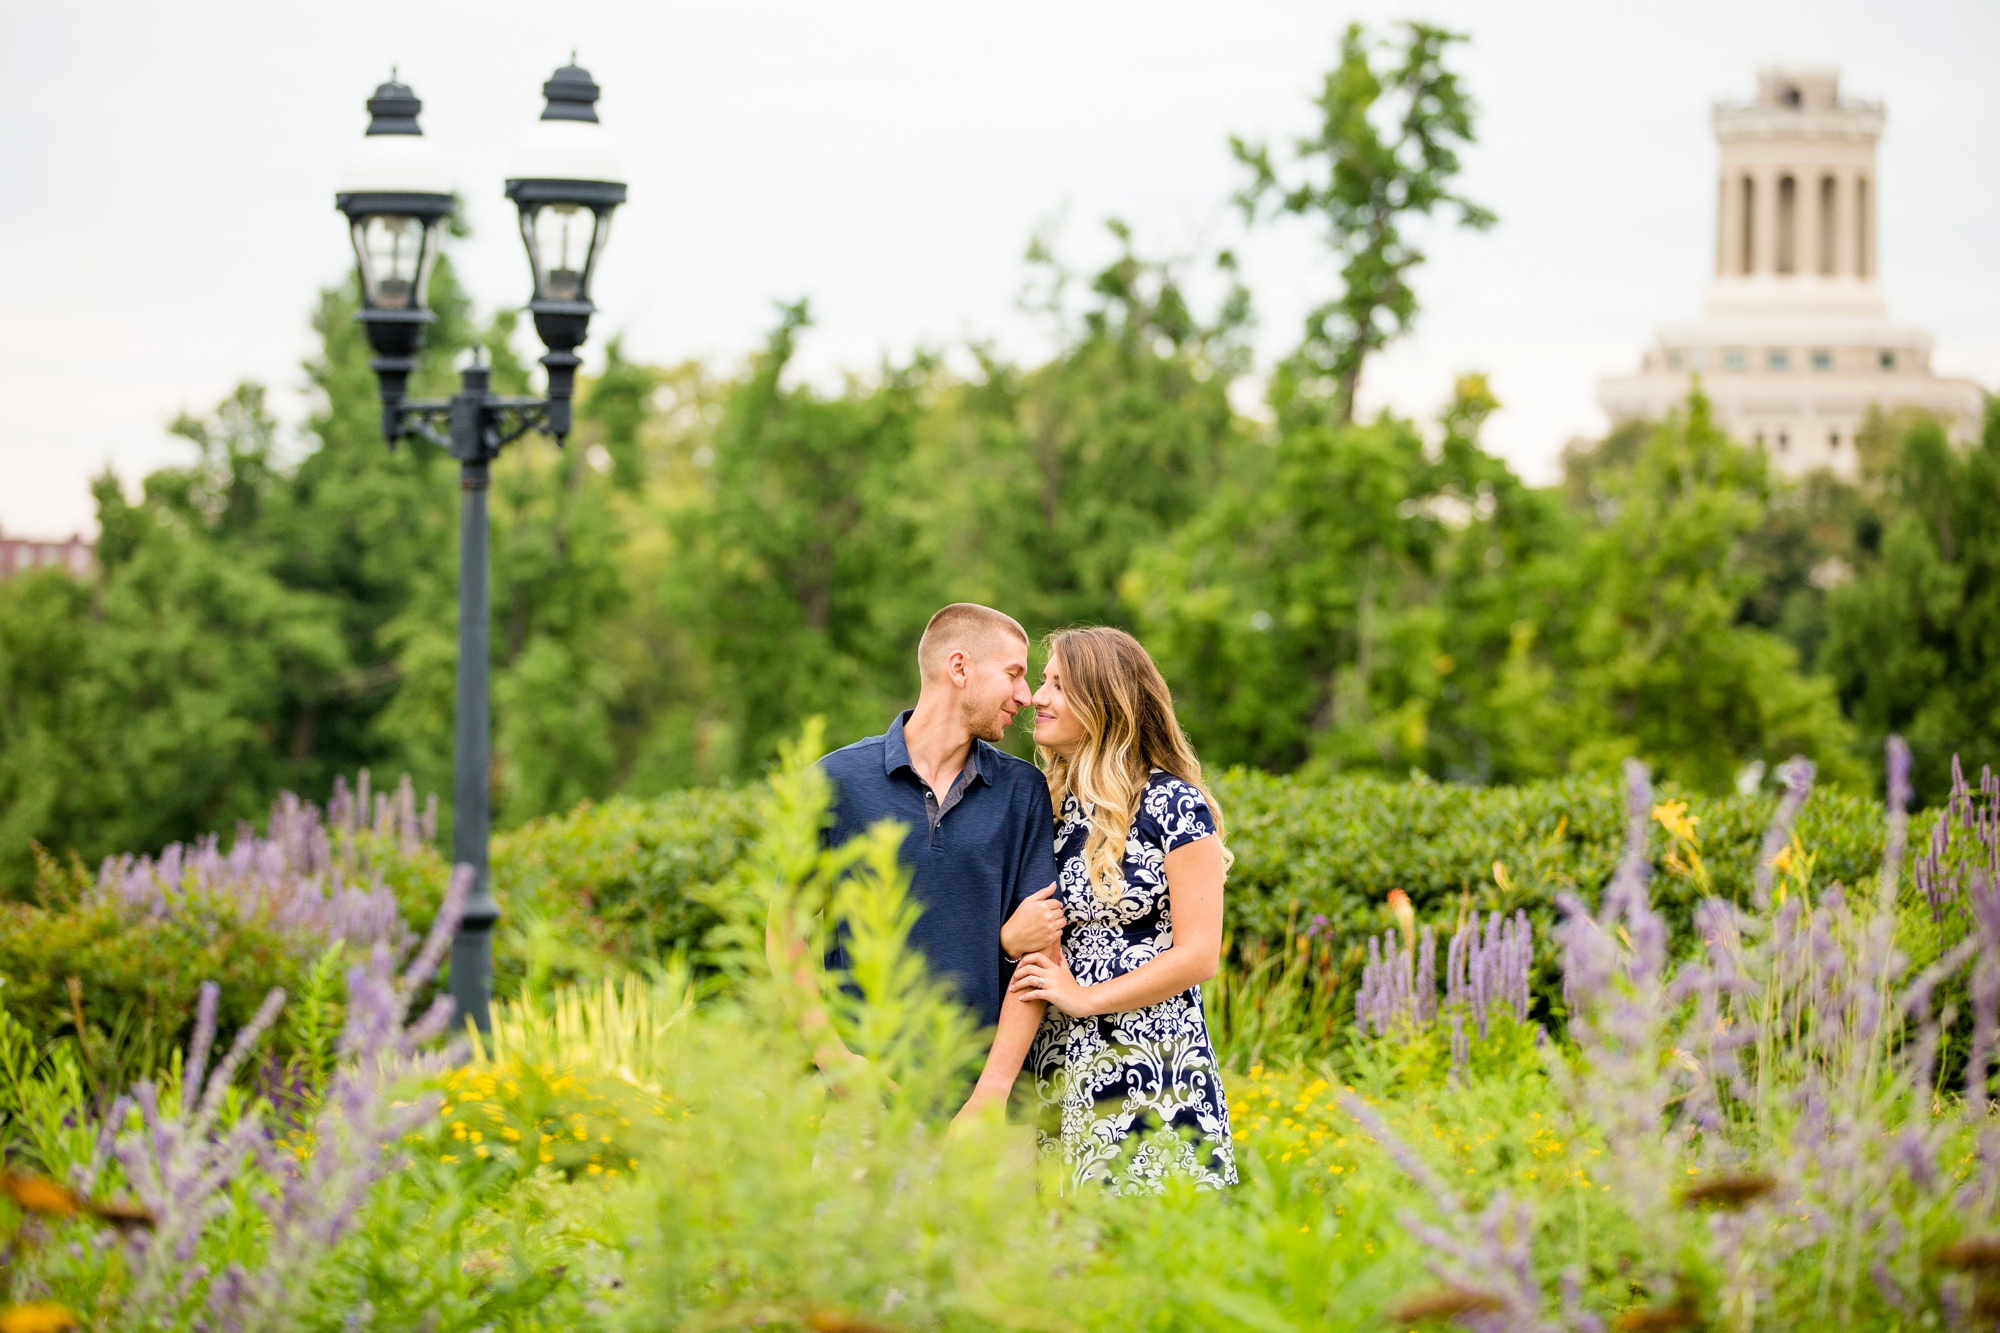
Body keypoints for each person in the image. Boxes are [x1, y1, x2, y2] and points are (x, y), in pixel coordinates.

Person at [967, 626, 1236, 1193]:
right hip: (1057, 1070)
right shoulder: (1048, 807)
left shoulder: (1174, 804)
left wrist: (1086, 999)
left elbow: (1198, 955)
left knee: (1149, 1255)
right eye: (1041, 681)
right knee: (1070, 1260)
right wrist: (1009, 942)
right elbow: (1025, 928)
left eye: (1058, 685)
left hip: (1151, 1067)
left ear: (1104, 701)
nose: (1037, 697)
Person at [768, 603, 1068, 1099]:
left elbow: (1040, 956)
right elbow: (785, 933)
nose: (1025, 695)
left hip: (984, 1111)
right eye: (1014, 674)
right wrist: (835, 1059)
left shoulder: (1021, 791)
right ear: (959, 667)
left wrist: (989, 1097)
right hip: (865, 1107)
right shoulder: (836, 781)